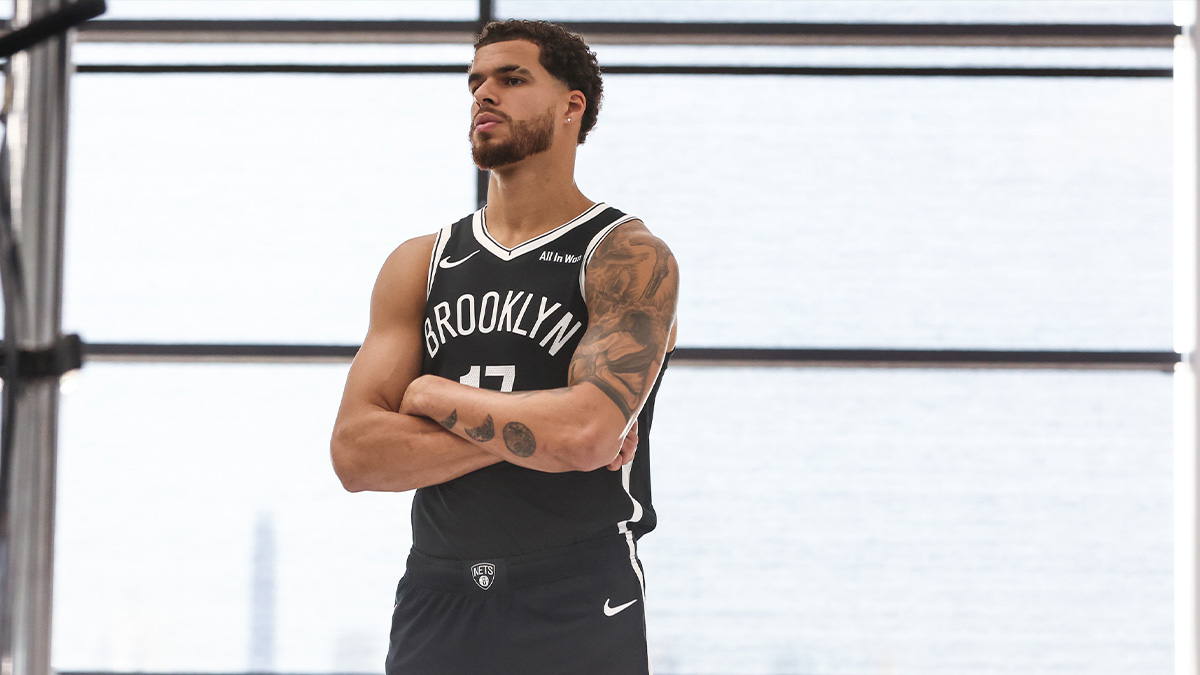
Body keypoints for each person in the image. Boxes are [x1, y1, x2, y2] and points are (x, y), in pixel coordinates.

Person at [330, 18, 679, 675]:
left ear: (572, 105)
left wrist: (432, 397)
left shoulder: (626, 255)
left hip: (576, 589)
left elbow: (582, 434)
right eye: (476, 82)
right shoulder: (419, 263)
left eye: (512, 79)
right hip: (438, 591)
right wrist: (537, 432)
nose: (483, 94)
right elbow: (355, 454)